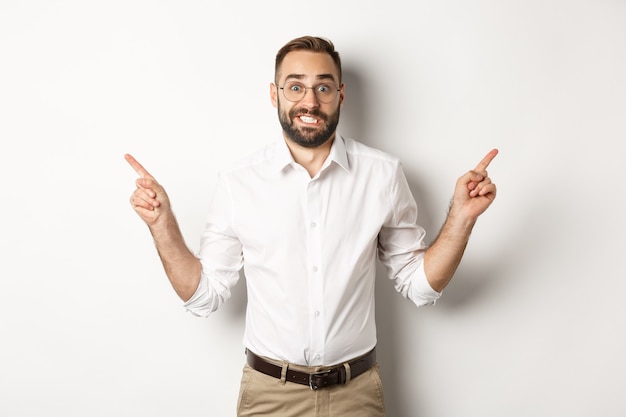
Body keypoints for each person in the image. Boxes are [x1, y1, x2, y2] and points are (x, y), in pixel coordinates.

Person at [125, 35, 497, 417]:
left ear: (340, 94)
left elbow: (419, 286)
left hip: (357, 395)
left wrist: (461, 218)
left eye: (322, 87)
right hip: (270, 396)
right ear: (275, 94)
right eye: (295, 86)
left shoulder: (383, 174)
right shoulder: (239, 182)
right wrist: (162, 224)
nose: (309, 101)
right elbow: (204, 295)